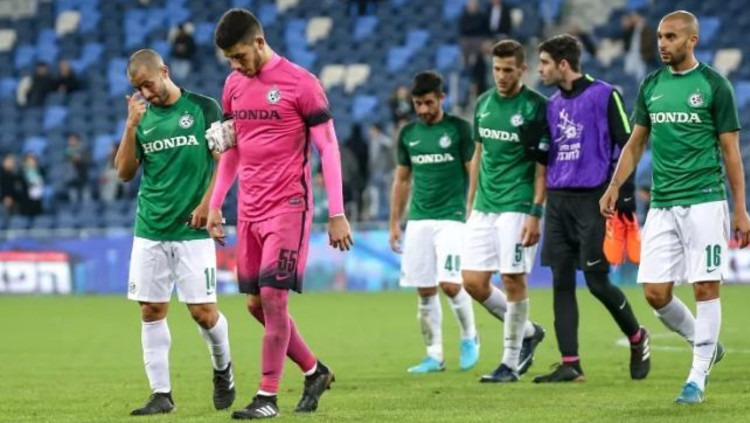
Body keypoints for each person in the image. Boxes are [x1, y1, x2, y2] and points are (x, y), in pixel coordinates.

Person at [208, 8, 353, 419]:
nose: (236, 66)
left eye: (240, 56)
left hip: (289, 207)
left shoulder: (301, 84)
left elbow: (328, 147)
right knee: (256, 305)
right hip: (249, 210)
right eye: (229, 60)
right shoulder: (234, 85)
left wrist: (337, 212)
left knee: (273, 298)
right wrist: (216, 202)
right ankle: (314, 371)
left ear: (259, 42)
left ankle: (266, 397)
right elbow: (233, 149)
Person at [600, 10, 749, 404]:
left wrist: (740, 209)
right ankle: (705, 343)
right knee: (655, 293)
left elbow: (731, 152)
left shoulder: (714, 85)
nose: (662, 43)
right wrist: (614, 185)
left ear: (691, 40)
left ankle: (696, 379)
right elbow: (636, 143)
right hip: (663, 203)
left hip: (705, 199)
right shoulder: (651, 85)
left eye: (671, 37)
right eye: (661, 37)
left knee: (705, 285)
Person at [114, 49, 235, 416]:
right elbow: (124, 173)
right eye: (138, 88)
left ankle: (223, 369)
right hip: (150, 228)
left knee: (203, 313)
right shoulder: (142, 118)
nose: (145, 93)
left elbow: (226, 162)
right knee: (151, 309)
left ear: (164, 71)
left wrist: (209, 204)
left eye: (148, 84)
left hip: (192, 230)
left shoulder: (204, 108)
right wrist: (130, 126)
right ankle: (161, 394)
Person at [533, 34, 650, 383]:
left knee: (597, 282)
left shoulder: (605, 94)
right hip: (558, 200)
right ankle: (571, 364)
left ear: (563, 63)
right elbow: (547, 153)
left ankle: (637, 337)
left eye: (544, 63)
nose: (539, 70)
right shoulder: (551, 104)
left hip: (593, 200)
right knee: (561, 282)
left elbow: (627, 145)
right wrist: (532, 147)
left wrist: (623, 197)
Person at [462, 39, 547, 383]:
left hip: (518, 203)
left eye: (508, 70)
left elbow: (543, 166)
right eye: (496, 69)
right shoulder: (483, 103)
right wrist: (470, 203)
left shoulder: (536, 107)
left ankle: (509, 364)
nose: (500, 76)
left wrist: (536, 211)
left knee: (512, 279)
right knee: (472, 281)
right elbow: (478, 155)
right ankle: (529, 331)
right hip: (485, 205)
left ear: (522, 69)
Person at [389, 71, 479, 374]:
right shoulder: (408, 134)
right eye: (418, 104)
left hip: (452, 218)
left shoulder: (459, 129)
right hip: (418, 220)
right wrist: (395, 223)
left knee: (451, 284)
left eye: (429, 102)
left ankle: (470, 337)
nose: (424, 109)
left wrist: (473, 209)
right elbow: (402, 180)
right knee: (425, 290)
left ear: (442, 98)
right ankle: (434, 355)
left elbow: (473, 173)